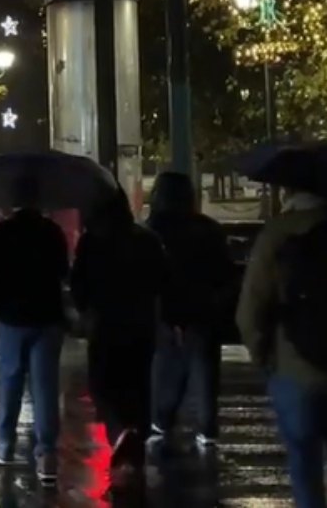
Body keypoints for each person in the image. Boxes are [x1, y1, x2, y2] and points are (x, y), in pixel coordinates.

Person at [237, 188, 327, 508]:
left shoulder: (278, 233)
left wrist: (263, 357)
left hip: (294, 367)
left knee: (304, 463)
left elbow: (250, 311)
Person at [71, 188, 167, 476]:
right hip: (141, 324)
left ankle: (120, 432)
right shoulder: (148, 239)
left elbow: (79, 284)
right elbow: (162, 281)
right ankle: (136, 439)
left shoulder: (92, 241)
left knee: (103, 385)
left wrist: (84, 309)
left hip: (105, 324)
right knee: (138, 385)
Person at [145, 171, 235, 449]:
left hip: (167, 315)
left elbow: (151, 277)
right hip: (205, 312)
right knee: (205, 372)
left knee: (166, 374)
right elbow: (225, 275)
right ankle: (207, 428)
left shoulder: (153, 231)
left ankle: (162, 421)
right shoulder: (209, 230)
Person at [0, 206, 70, 483]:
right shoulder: (52, 232)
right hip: (48, 317)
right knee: (45, 386)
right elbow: (63, 271)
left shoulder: (1, 233)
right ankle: (47, 455)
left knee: (10, 379)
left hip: (11, 317)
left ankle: (4, 444)